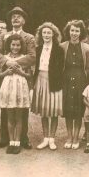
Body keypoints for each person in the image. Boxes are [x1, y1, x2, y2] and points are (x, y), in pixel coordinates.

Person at [0, 6, 36, 149]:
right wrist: (7, 62)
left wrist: (15, 62)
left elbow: (31, 57)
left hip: (21, 77)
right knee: (6, 107)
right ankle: (5, 138)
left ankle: (23, 138)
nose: (15, 18)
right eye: (13, 16)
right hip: (6, 76)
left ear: (24, 20)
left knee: (21, 109)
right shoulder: (2, 36)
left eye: (19, 16)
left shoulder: (29, 37)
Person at [31, 22, 64, 150]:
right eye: (44, 33)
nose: (46, 35)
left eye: (49, 33)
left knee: (53, 111)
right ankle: (45, 138)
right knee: (44, 112)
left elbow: (60, 68)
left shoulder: (59, 49)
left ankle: (52, 139)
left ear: (53, 34)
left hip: (53, 81)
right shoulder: (37, 49)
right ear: (40, 34)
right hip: (40, 79)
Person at [60, 20, 89, 150]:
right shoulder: (62, 46)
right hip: (66, 80)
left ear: (81, 32)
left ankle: (76, 137)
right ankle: (69, 137)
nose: (74, 33)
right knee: (68, 109)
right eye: (72, 30)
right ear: (68, 31)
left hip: (80, 80)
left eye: (77, 31)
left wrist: (86, 83)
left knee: (78, 110)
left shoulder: (87, 48)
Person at [0, 34, 31, 154]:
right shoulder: (5, 58)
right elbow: (0, 75)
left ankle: (17, 142)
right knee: (10, 116)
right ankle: (11, 141)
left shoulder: (24, 58)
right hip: (8, 88)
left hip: (20, 89)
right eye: (13, 45)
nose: (15, 47)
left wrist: (21, 72)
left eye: (18, 45)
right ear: (9, 45)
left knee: (19, 116)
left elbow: (29, 75)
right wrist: (7, 71)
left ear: (21, 46)